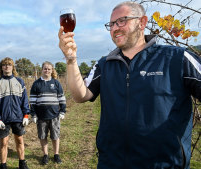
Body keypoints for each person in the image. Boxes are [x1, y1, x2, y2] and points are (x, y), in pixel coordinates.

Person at [58, 1, 201, 169]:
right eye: (111, 24)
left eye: (122, 21)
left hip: (164, 165)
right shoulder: (104, 64)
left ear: (142, 22)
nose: (114, 28)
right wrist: (71, 59)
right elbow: (81, 95)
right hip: (111, 163)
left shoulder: (177, 58)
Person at [0, 57, 30, 169]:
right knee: (3, 142)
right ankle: (3, 165)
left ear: (13, 67)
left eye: (9, 65)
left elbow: (24, 100)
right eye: (4, 65)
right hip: (3, 119)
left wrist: (26, 115)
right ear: (1, 68)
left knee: (20, 140)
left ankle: (22, 163)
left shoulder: (19, 81)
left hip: (18, 117)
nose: (7, 67)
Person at [29, 61, 66, 165]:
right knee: (43, 136)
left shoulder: (56, 83)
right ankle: (45, 155)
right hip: (41, 116)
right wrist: (34, 114)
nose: (47, 70)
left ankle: (56, 154)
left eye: (49, 69)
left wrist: (62, 111)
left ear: (52, 70)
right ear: (42, 69)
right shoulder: (36, 84)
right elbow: (32, 101)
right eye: (45, 68)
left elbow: (62, 98)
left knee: (55, 136)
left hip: (54, 115)